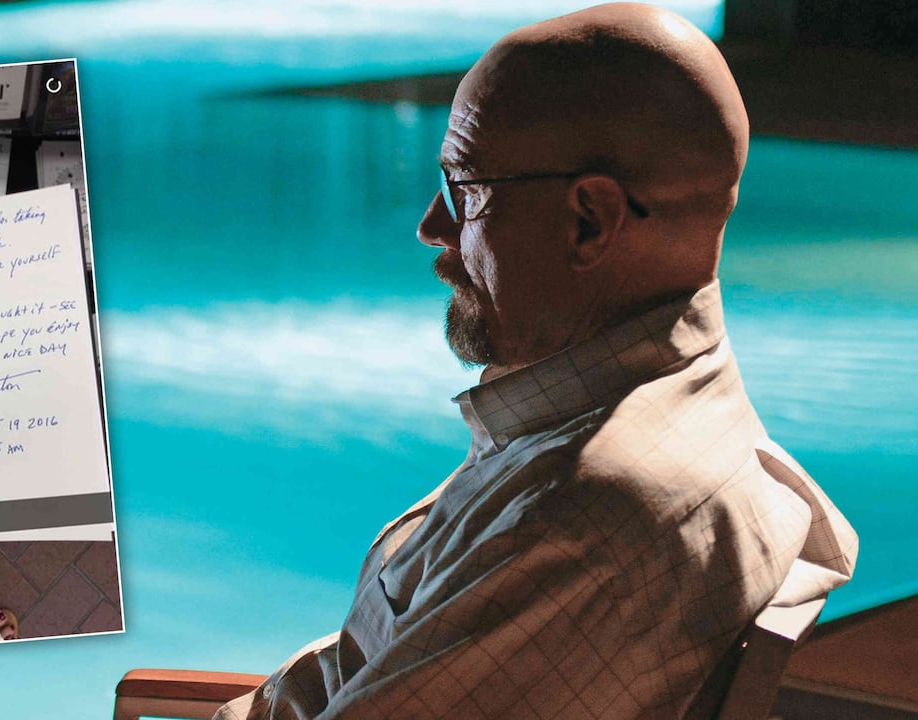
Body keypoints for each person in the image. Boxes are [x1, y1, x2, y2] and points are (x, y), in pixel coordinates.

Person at [215, 4, 857, 719]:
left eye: (464, 188)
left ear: (589, 220)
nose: (433, 227)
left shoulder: (580, 523)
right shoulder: (634, 419)